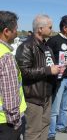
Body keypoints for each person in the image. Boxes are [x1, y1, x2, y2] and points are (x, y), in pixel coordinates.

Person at [16, 14, 61, 140]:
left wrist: (56, 69)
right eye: (50, 27)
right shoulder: (26, 46)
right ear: (40, 29)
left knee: (45, 126)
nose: (52, 30)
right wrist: (48, 70)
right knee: (33, 132)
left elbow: (48, 67)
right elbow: (24, 72)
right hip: (34, 98)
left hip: (47, 95)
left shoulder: (46, 46)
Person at [46, 15, 67, 140]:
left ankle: (61, 126)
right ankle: (51, 133)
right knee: (54, 108)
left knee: (65, 106)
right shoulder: (53, 41)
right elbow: (46, 59)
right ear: (65, 28)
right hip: (58, 80)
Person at [0, 11, 27, 140]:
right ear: (6, 31)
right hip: (6, 122)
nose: (17, 32)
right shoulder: (6, 56)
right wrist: (16, 122)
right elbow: (10, 96)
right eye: (15, 29)